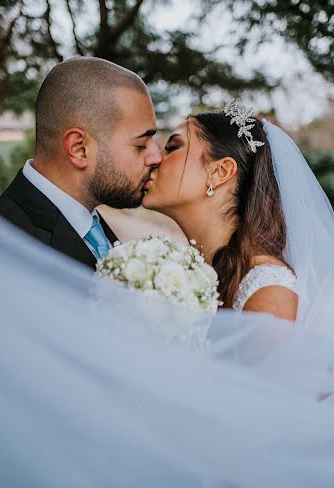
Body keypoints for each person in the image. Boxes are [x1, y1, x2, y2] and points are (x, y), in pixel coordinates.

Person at [142, 101, 334, 324]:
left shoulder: (268, 296)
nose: (155, 158)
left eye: (173, 147)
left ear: (219, 172)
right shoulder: (200, 272)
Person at [0, 57, 162, 269]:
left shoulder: (90, 223)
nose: (157, 156)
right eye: (141, 145)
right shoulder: (7, 251)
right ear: (79, 149)